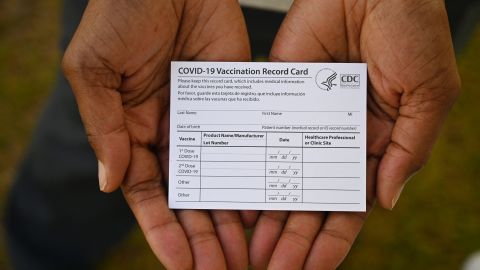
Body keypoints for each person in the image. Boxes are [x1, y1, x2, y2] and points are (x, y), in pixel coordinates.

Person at [6, 0, 460, 269]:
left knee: (373, 127)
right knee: (107, 141)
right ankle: (40, 250)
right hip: (156, 19)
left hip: (368, 20)